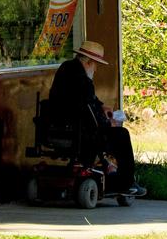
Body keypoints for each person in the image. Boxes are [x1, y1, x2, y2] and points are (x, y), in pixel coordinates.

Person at [47, 39, 146, 196]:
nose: (96, 69)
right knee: (122, 135)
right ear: (89, 62)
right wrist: (109, 123)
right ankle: (126, 183)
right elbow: (90, 114)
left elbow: (88, 101)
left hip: (57, 128)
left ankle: (105, 169)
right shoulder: (84, 81)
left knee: (105, 132)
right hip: (81, 133)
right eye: (96, 64)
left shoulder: (66, 68)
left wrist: (101, 106)